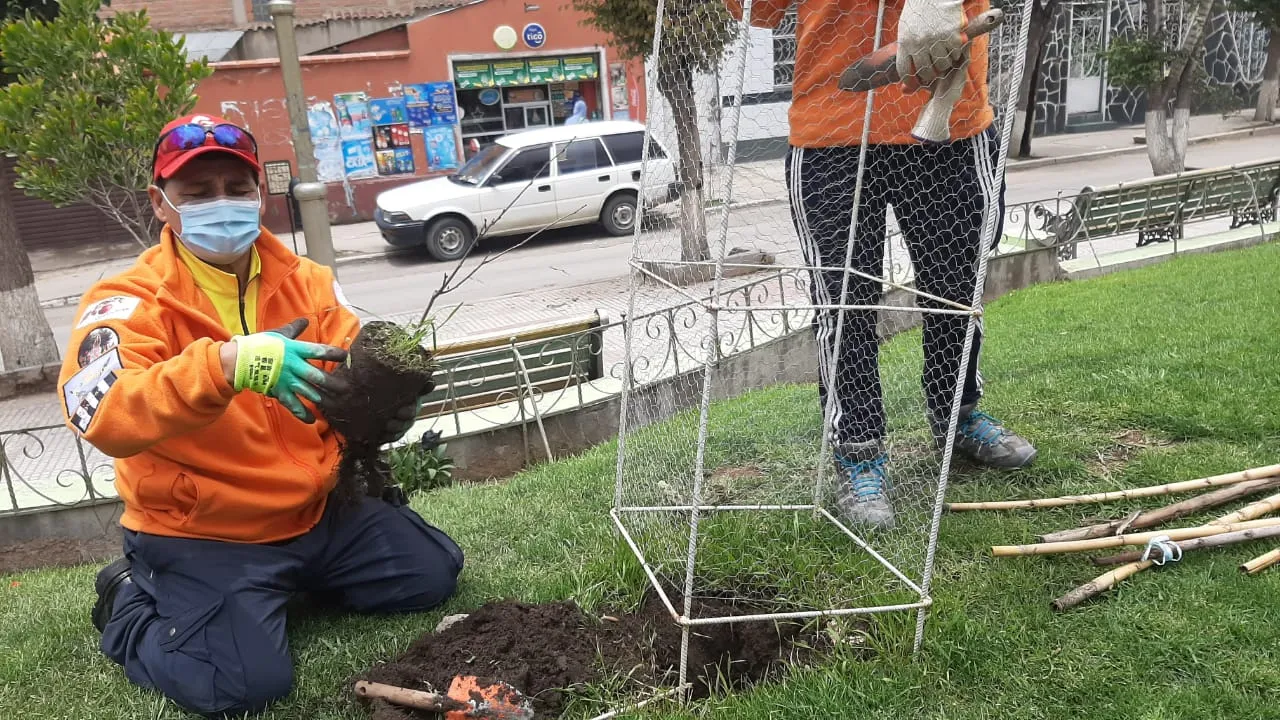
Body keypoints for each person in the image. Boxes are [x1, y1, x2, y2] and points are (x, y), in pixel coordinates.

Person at [58, 114, 465, 717]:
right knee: (244, 685)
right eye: (198, 193)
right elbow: (104, 413)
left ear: (260, 194)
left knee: (430, 574)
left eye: (236, 189)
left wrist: (386, 401)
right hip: (207, 532)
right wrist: (223, 365)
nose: (221, 204)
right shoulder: (127, 301)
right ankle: (128, 606)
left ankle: (280, 585)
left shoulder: (311, 283)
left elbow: (353, 373)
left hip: (316, 513)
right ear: (161, 203)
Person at [726, 0, 1036, 529]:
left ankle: (957, 415)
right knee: (845, 306)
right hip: (835, 127)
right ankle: (859, 451)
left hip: (949, 114)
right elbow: (757, 10)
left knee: (955, 290)